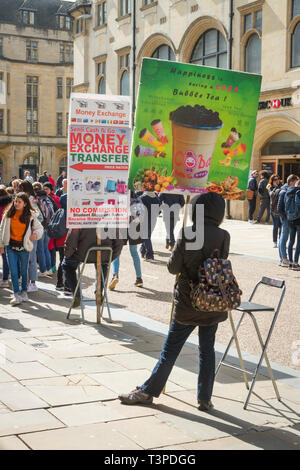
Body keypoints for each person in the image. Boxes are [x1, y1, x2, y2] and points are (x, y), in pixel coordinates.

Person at [119, 192, 230, 411]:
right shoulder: (223, 235)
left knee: (171, 349)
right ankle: (205, 398)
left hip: (189, 299)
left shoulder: (189, 233)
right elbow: (220, 263)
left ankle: (149, 391)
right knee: (207, 350)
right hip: (213, 299)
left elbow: (173, 268)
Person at [62, 227, 124, 307]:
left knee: (67, 265)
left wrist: (67, 254)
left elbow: (72, 238)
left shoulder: (79, 216)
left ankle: (76, 293)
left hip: (83, 254)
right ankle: (99, 291)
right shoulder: (110, 218)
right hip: (104, 252)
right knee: (103, 265)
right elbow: (119, 242)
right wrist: (111, 257)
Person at [0, 192, 43, 305]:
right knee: (13, 272)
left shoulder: (31, 215)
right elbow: (2, 230)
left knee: (24, 271)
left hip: (24, 247)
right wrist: (1, 245)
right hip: (10, 247)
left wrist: (35, 235)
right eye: (15, 201)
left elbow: (40, 228)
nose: (16, 203)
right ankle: (16, 294)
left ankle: (24, 292)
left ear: (25, 203)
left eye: (19, 202)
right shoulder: (8, 214)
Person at [18, 180, 42, 292]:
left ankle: (32, 283)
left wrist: (33, 229)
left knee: (30, 258)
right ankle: (26, 282)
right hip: (23, 233)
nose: (18, 190)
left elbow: (40, 217)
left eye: (20, 188)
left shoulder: (31, 200)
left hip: (31, 234)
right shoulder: (25, 199)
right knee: (24, 259)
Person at [277, 174, 299, 267]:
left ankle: (283, 259)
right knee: (284, 237)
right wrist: (286, 216)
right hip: (286, 218)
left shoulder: (286, 190)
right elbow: (279, 207)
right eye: (295, 182)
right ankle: (284, 259)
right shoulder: (284, 191)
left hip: (288, 218)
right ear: (291, 182)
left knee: (286, 238)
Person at [33, 182, 53, 276]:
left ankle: (43, 270)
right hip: (48, 226)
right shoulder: (49, 199)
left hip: (41, 226)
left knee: (40, 249)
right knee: (46, 249)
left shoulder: (38, 201)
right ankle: (49, 269)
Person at [139, 191, 161, 261]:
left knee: (145, 236)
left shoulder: (142, 198)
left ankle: (150, 255)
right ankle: (143, 251)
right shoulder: (157, 199)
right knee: (147, 236)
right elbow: (159, 211)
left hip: (144, 220)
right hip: (153, 220)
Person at [285, 179, 300, 270]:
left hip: (290, 218)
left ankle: (290, 262)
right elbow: (298, 203)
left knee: (291, 241)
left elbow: (285, 205)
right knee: (299, 242)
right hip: (298, 219)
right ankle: (295, 263)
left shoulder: (288, 192)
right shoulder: (298, 192)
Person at [0, 186, 12, 288]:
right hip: (11, 233)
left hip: (1, 233)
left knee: (4, 256)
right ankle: (9, 278)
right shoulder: (11, 205)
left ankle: (4, 279)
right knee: (8, 257)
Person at [267, 174, 282, 248]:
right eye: (275, 179)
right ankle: (275, 241)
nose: (277, 181)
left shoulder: (281, 186)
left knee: (281, 226)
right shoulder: (270, 187)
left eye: (278, 179)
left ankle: (281, 241)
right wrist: (275, 187)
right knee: (276, 226)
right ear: (272, 181)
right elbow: (271, 195)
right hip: (273, 210)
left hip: (281, 210)